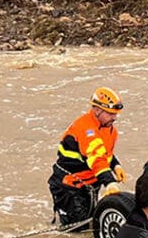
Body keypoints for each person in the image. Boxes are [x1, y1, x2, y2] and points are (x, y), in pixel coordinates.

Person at [48, 87, 127, 226]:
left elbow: (105, 153)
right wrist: (109, 182)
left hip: (89, 184)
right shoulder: (85, 129)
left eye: (115, 114)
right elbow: (96, 158)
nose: (114, 118)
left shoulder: (110, 129)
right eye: (110, 113)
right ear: (97, 110)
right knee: (75, 229)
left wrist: (116, 165)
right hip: (70, 185)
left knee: (90, 221)